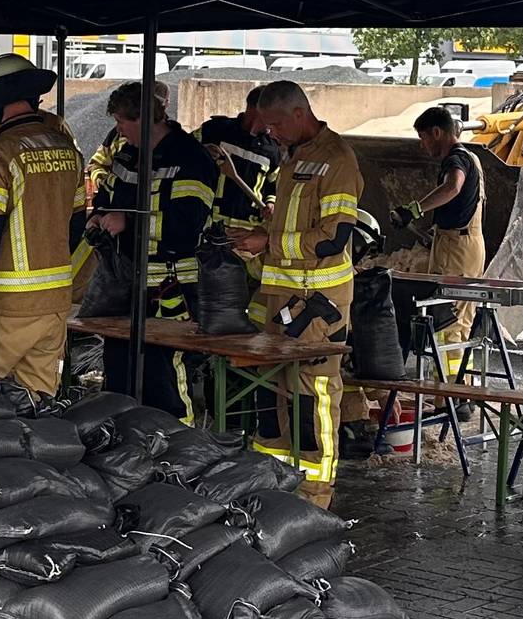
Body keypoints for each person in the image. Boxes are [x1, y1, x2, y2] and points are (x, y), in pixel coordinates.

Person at [232, 81, 364, 507]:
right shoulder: (294, 157)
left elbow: (332, 239)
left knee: (313, 398)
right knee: (272, 393)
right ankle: (272, 488)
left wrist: (266, 243)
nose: (269, 133)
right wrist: (254, 246)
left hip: (318, 307)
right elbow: (287, 229)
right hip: (279, 300)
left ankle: (314, 497)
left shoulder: (337, 161)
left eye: (274, 124)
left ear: (298, 114)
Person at [89, 80, 221, 417]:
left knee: (164, 377)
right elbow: (108, 193)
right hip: (125, 284)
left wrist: (128, 222)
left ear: (145, 120)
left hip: (170, 288)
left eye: (122, 122)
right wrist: (99, 215)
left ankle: (180, 451)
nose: (117, 130)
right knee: (119, 373)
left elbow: (186, 226)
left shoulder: (190, 158)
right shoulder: (128, 154)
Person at [0, 53, 82, 396]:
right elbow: (77, 224)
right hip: (55, 303)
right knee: (39, 401)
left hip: (9, 306)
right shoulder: (68, 150)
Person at [393, 105, 486, 358]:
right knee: (460, 321)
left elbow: (453, 187)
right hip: (466, 244)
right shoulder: (472, 158)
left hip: (456, 250)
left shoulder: (455, 160)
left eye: (423, 139)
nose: (423, 146)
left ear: (436, 132)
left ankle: (446, 394)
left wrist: (414, 210)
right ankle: (456, 391)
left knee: (448, 322)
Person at [196, 85, 284, 235]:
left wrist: (271, 203)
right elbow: (181, 150)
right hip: (208, 226)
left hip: (246, 234)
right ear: (258, 110)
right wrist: (202, 150)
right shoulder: (215, 130)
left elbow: (274, 185)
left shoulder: (273, 149)